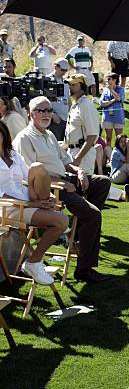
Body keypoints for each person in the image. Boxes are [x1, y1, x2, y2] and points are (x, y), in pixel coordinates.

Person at [13, 96, 112, 283]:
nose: (46, 114)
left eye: (49, 110)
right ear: (30, 114)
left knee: (103, 182)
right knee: (93, 215)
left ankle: (77, 232)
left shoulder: (49, 135)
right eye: (41, 110)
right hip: (52, 189)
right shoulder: (24, 138)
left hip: (66, 180)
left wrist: (80, 170)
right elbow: (28, 175)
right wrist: (59, 182)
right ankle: (84, 269)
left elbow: (67, 161)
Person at [0, 121, 68, 285]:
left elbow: (28, 176)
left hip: (28, 198)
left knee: (37, 167)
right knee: (62, 221)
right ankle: (33, 262)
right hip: (8, 207)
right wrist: (32, 205)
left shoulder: (13, 155)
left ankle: (47, 205)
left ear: (3, 134)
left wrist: (49, 196)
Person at [64, 74, 100, 175]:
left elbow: (92, 136)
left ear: (82, 86)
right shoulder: (76, 105)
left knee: (85, 186)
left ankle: (121, 192)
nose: (70, 87)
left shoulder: (86, 105)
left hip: (83, 155)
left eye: (73, 84)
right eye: (69, 84)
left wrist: (78, 158)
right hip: (72, 152)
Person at [99, 73, 126, 147]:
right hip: (107, 117)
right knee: (108, 137)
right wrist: (113, 101)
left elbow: (119, 98)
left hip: (118, 117)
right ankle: (108, 155)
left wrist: (111, 90)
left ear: (114, 80)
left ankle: (119, 154)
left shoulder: (121, 89)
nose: (107, 81)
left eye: (109, 79)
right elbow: (101, 103)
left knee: (119, 138)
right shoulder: (105, 91)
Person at [48, 58, 71, 141]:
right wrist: (52, 114)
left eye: (66, 70)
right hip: (54, 119)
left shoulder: (66, 82)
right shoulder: (47, 80)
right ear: (56, 67)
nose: (64, 72)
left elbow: (68, 99)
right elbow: (44, 100)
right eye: (62, 70)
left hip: (66, 118)